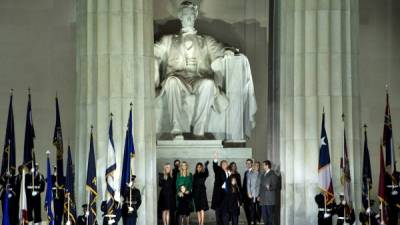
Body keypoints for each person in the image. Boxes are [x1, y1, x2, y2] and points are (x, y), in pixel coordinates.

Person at [211, 151, 229, 225]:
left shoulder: (229, 172)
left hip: (227, 195)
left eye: (225, 164)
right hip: (219, 196)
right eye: (223, 164)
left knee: (226, 214)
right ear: (221, 165)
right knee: (218, 214)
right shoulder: (218, 170)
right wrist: (215, 158)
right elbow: (215, 166)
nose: (224, 165)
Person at [259, 160, 278, 225]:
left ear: (267, 165)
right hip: (263, 199)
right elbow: (261, 186)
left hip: (270, 199)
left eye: (263, 165)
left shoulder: (273, 174)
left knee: (270, 217)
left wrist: (269, 188)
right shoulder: (263, 174)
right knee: (264, 217)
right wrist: (259, 196)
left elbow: (275, 186)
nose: (262, 166)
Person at [242, 159, 254, 225]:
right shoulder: (246, 172)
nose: (248, 164)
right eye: (247, 163)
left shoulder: (254, 172)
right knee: (246, 210)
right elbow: (244, 185)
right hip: (246, 196)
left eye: (249, 163)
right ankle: (249, 222)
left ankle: (252, 222)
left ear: (252, 164)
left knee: (252, 210)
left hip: (252, 195)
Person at [172, 159, 181, 225]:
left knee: (178, 207)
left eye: (178, 163)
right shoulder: (172, 171)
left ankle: (177, 222)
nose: (177, 164)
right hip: (172, 191)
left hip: (178, 190)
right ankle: (172, 222)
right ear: (174, 164)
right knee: (172, 207)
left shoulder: (180, 171)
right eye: (176, 163)